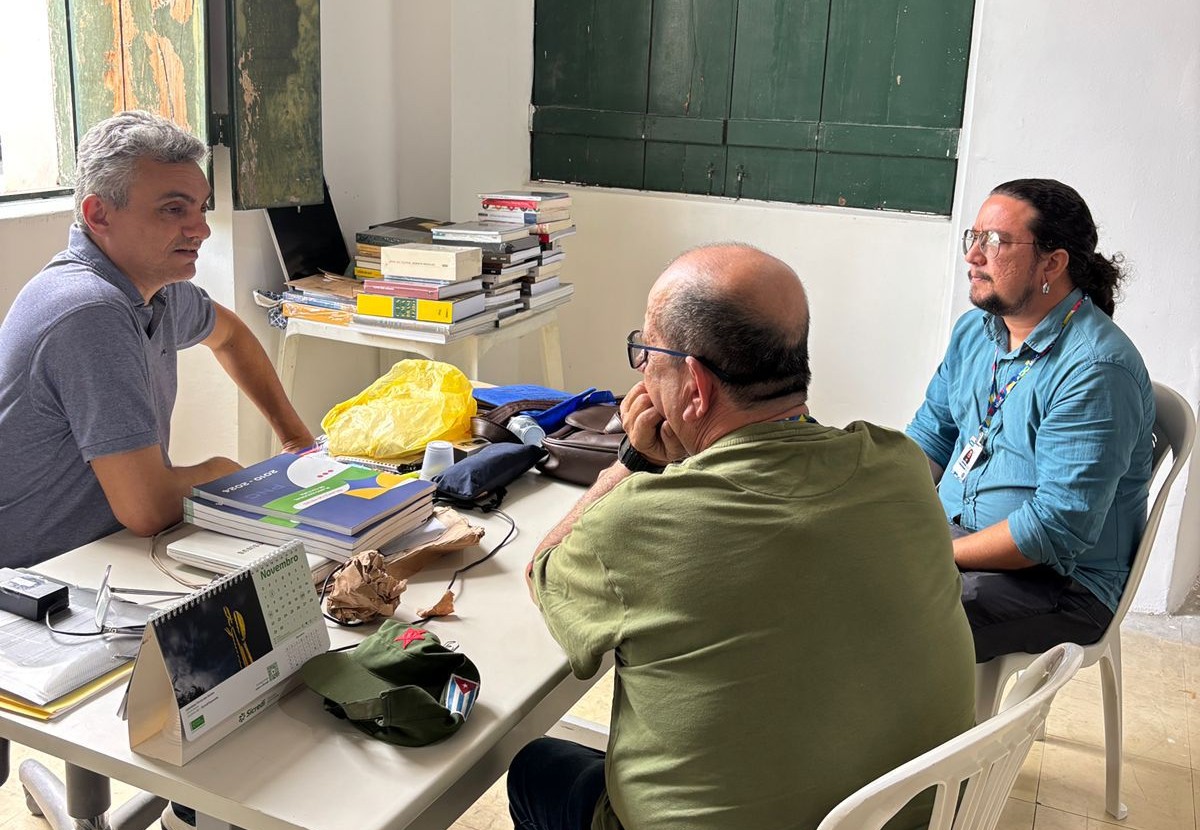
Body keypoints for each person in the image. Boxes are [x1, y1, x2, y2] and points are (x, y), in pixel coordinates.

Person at [509, 244, 976, 830]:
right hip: (914, 815)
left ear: (695, 384)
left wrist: (633, 462)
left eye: (647, 352)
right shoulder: (900, 465)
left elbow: (544, 570)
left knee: (536, 768)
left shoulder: (635, 525)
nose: (641, 372)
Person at [0, 110, 313, 569]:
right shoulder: (90, 311)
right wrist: (228, 473)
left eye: (201, 208)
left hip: (109, 550)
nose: (201, 229)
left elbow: (231, 337)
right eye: (173, 209)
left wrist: (297, 442)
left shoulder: (153, 287)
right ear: (99, 214)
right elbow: (147, 508)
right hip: (38, 579)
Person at [906, 179, 1155, 664]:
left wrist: (933, 550)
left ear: (1052, 264)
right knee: (836, 571)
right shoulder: (975, 332)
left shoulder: (1096, 370)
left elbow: (1052, 529)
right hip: (954, 539)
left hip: (1058, 582)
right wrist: (883, 506)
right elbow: (931, 437)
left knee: (886, 615)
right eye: (973, 237)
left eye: (995, 241)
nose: (973, 256)